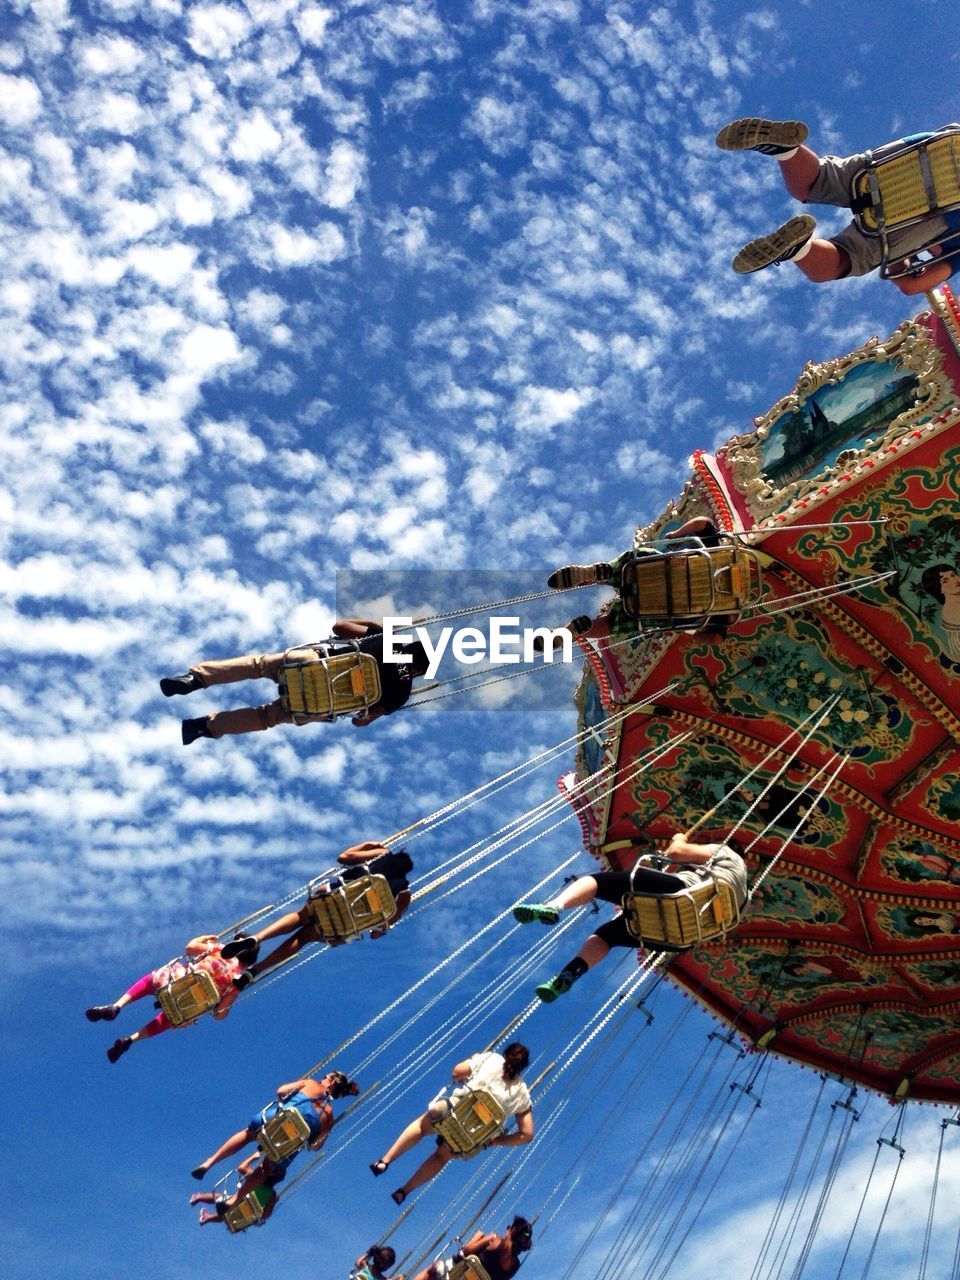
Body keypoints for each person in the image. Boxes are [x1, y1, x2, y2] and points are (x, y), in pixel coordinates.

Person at [716, 116, 960, 295]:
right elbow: (912, 284)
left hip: (919, 154)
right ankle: (797, 250)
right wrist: (898, 258)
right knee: (845, 259)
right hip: (936, 210)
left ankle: (785, 149)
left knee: (820, 179)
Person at [514, 832, 748, 1001]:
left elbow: (677, 853)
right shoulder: (744, 896)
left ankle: (554, 906)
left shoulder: (725, 852)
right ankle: (570, 972)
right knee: (609, 934)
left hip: (680, 895)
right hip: (681, 935)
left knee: (597, 882)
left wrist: (680, 839)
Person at [160, 618, 430, 744]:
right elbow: (362, 719)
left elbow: (339, 627)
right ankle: (204, 728)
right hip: (318, 704)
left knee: (260, 665)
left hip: (311, 664)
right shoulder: (401, 694)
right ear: (417, 671)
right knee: (266, 717)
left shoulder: (387, 641)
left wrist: (379, 627)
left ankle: (195, 679)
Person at [223, 843, 414, 990]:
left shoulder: (381, 854)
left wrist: (369, 845)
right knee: (303, 938)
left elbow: (344, 857)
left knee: (299, 917)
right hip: (344, 925)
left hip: (331, 897)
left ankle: (257, 938)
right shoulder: (404, 894)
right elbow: (377, 932)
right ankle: (255, 971)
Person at [370, 1044, 534, 1205]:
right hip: (469, 1138)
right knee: (442, 1156)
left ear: (506, 1054)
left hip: (451, 1113)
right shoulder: (522, 1094)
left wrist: (474, 1059)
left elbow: (457, 1072)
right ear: (523, 1067)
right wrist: (494, 1141)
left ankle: (385, 1161)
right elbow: (526, 1134)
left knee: (421, 1127)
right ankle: (404, 1192)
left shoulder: (493, 1059)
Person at [544, 516, 729, 644]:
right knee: (611, 626)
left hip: (660, 572)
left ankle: (599, 574)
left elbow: (702, 523)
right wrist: (687, 632)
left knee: (630, 565)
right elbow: (715, 639)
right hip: (661, 607)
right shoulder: (726, 609)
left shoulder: (722, 556)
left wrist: (676, 534)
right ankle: (573, 633)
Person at [85, 934, 243, 1063]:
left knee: (151, 981)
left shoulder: (221, 950)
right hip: (191, 1004)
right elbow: (219, 1015)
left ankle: (117, 1006)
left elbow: (190, 948)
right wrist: (233, 994)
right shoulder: (237, 980)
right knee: (171, 1017)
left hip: (177, 982)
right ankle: (130, 1040)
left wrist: (204, 938)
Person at [190, 1070, 360, 1182]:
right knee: (268, 1167)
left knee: (249, 1134)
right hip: (287, 1143)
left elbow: (280, 1091)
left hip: (274, 1119)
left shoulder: (311, 1083)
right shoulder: (330, 1116)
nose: (322, 1077)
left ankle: (210, 1162)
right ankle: (233, 1202)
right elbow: (316, 1146)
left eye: (325, 1076)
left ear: (330, 1082)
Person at [411, 1217, 533, 1280]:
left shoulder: (496, 1241)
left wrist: (478, 1237)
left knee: (430, 1271)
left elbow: (466, 1251)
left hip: (457, 1273)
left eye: (509, 1226)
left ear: (513, 1229)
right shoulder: (515, 1265)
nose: (506, 1229)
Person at [189, 1152, 285, 1228]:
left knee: (220, 1197)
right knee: (227, 1216)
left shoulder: (256, 1178)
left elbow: (241, 1168)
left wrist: (253, 1157)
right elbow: (265, 1215)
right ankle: (208, 1218)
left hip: (238, 1204)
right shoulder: (272, 1196)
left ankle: (198, 1197)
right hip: (246, 1214)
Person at [920, 563, 960, 660]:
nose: (955, 580)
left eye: (953, 575)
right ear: (939, 589)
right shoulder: (952, 610)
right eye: (945, 581)